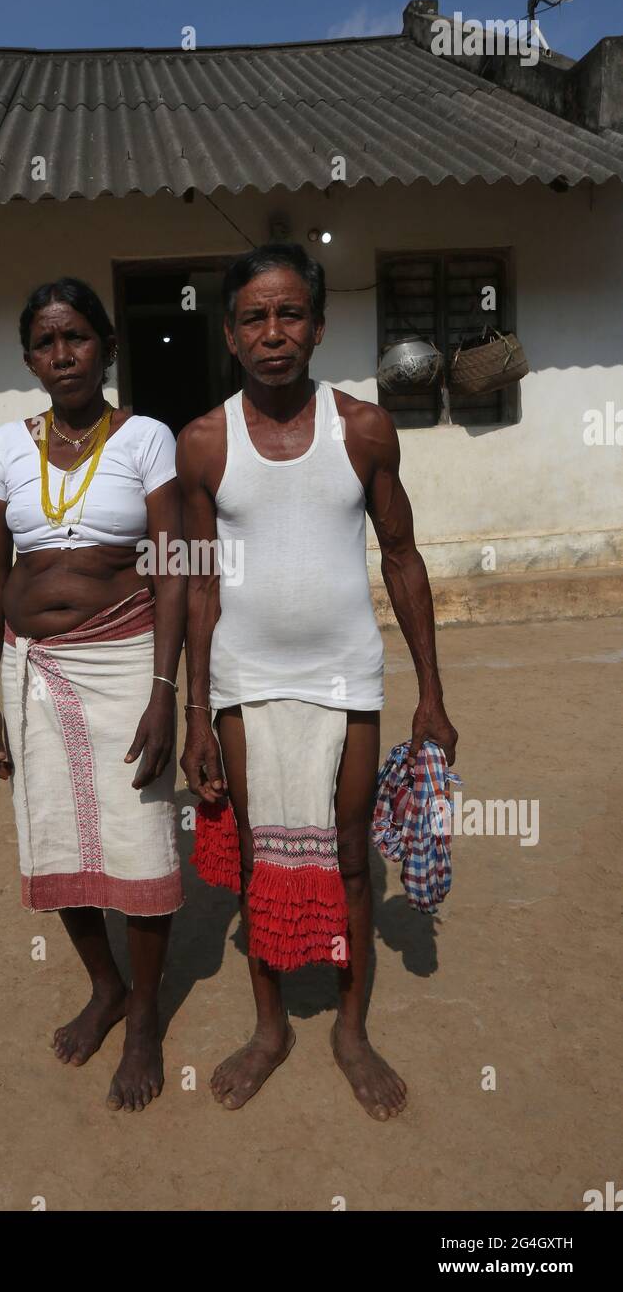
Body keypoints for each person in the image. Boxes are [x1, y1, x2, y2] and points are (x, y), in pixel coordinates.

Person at [177, 243, 458, 1120]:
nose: (273, 333)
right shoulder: (203, 443)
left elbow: (403, 558)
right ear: (229, 334)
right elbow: (197, 581)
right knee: (261, 854)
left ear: (320, 326)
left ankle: (349, 1027)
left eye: (289, 313)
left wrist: (433, 694)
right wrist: (194, 712)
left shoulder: (366, 429)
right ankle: (270, 1029)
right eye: (254, 317)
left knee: (346, 853)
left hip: (346, 677)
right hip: (243, 681)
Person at [0, 277, 185, 1112]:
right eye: (46, 343)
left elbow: (170, 570)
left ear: (106, 346)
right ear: (29, 356)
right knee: (57, 835)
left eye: (78, 339)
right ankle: (106, 987)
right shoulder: (3, 450)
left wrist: (166, 690)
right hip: (33, 665)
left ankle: (143, 1019)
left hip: (127, 658)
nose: (62, 356)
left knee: (140, 836)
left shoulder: (147, 440)